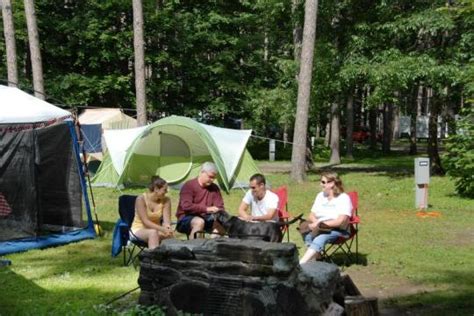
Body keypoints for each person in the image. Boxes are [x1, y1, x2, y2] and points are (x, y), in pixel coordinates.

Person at [299, 171, 352, 264]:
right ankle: (316, 259)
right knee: (305, 231)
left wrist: (319, 224)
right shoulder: (320, 196)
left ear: (332, 183)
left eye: (323, 182)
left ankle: (302, 263)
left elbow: (340, 221)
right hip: (320, 227)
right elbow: (311, 215)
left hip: (338, 230)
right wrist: (316, 223)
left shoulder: (343, 198)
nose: (321, 184)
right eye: (321, 181)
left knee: (320, 238)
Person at [176, 162, 225, 238]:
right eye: (210, 177)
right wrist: (206, 209)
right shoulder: (189, 185)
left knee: (222, 222)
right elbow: (186, 206)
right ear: (202, 172)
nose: (212, 180)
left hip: (206, 218)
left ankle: (213, 245)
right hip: (185, 218)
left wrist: (218, 218)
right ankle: (193, 248)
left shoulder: (214, 188)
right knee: (199, 222)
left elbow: (220, 207)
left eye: (214, 178)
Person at [130, 176, 174, 249]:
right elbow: (145, 222)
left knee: (170, 236)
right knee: (153, 233)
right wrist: (162, 229)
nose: (166, 192)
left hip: (158, 229)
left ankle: (169, 259)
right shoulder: (141, 199)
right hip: (139, 229)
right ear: (156, 189)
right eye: (164, 190)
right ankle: (153, 258)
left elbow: (167, 221)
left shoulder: (166, 200)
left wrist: (167, 228)